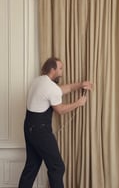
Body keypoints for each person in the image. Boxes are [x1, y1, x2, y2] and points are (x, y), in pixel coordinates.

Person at [18, 57, 93, 188]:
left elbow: (65, 89)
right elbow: (60, 110)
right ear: (53, 69)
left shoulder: (39, 81)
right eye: (60, 68)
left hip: (29, 127)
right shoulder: (50, 87)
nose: (62, 72)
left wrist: (81, 84)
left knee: (32, 166)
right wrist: (78, 103)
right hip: (40, 131)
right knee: (57, 167)